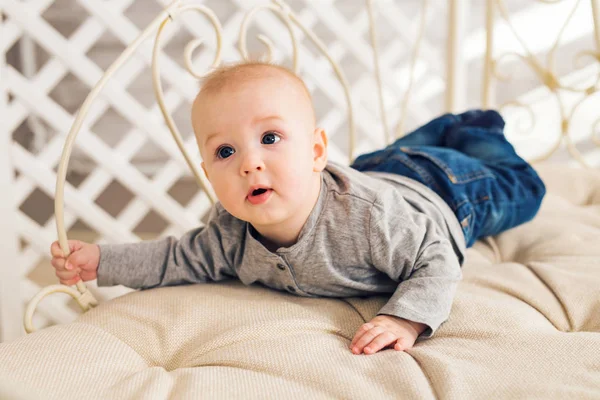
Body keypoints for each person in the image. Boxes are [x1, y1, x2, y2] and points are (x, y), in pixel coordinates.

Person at [50, 61, 546, 355]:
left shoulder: (367, 220)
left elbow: (434, 257)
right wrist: (102, 261)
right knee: (393, 156)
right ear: (208, 173)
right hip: (375, 168)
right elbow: (174, 258)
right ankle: (437, 132)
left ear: (314, 151)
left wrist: (405, 319)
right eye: (226, 152)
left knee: (524, 189)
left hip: (442, 193)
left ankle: (475, 128)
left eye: (269, 138)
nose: (250, 163)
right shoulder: (229, 233)